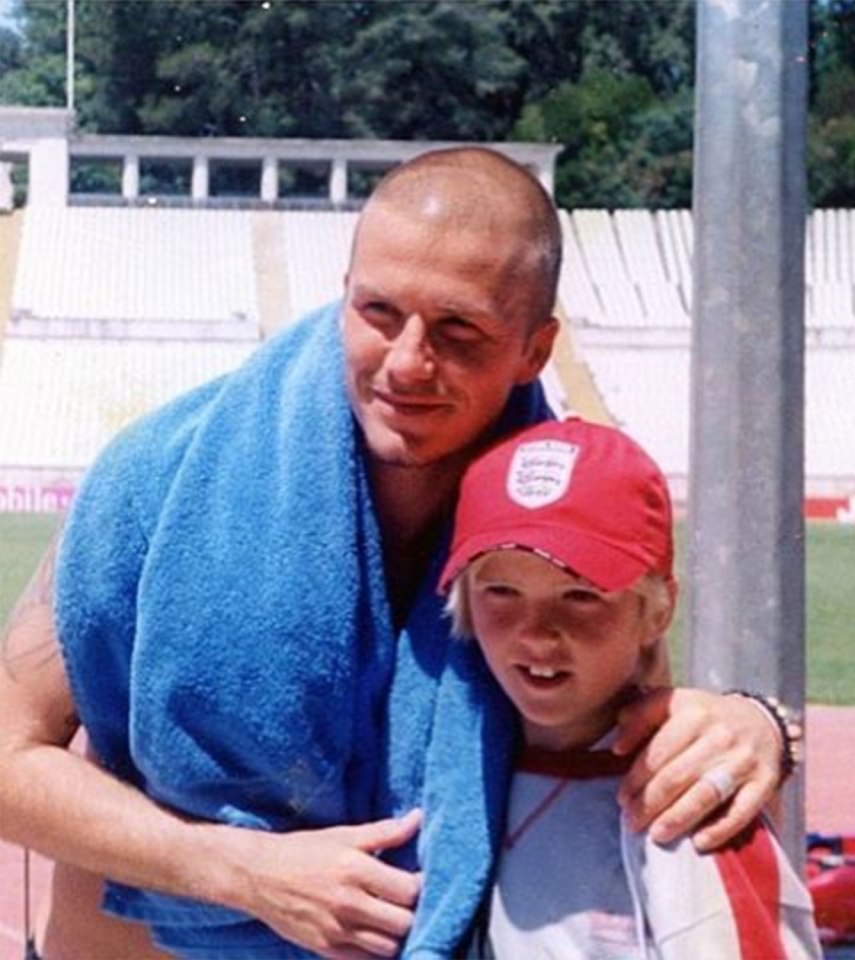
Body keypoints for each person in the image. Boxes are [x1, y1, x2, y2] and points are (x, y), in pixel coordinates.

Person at [0, 147, 793, 960]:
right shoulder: (162, 479)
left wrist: (747, 724)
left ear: (535, 349)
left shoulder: (560, 510)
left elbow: (619, 735)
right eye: (379, 312)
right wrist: (241, 869)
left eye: (459, 330)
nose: (408, 363)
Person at [441, 418, 820, 959]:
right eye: (501, 590)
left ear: (657, 609)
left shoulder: (685, 796)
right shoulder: (453, 767)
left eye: (580, 595)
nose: (536, 630)